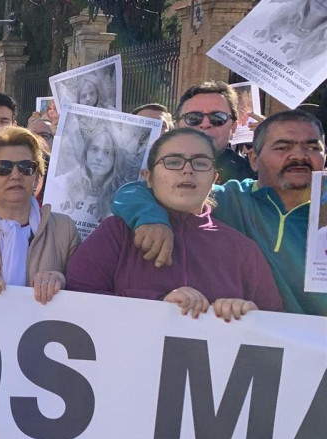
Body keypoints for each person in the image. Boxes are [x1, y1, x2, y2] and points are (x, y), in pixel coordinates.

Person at [112, 110, 326, 316]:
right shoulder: (228, 199)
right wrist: (150, 218)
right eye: (282, 147)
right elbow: (136, 190)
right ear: (253, 159)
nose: (299, 155)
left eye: (312, 147)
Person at [68, 128, 283, 319]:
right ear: (149, 178)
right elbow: (74, 301)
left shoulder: (243, 250)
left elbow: (277, 327)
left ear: (214, 178)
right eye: (173, 162)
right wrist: (159, 306)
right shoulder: (116, 234)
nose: (187, 170)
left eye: (200, 163)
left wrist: (248, 317)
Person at [0, 127, 79, 305]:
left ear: (36, 178)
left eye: (26, 167)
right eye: (3, 167)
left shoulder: (64, 230)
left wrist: (62, 281)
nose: (16, 175)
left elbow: (85, 294)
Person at [174, 81, 255, 182]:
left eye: (218, 117)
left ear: (233, 127)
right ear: (177, 127)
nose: (205, 124)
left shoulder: (253, 181)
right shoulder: (155, 171)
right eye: (193, 117)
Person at [48, 126, 120, 237]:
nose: (99, 157)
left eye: (107, 152)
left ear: (114, 160)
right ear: (86, 154)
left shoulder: (120, 197)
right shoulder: (60, 184)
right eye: (94, 149)